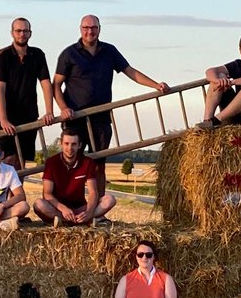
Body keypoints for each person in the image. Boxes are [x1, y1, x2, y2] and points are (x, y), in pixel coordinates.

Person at [54, 14, 169, 196]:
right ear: (80, 29)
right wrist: (63, 108)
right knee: (71, 163)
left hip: (101, 118)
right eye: (86, 28)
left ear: (99, 29)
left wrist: (156, 85)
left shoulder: (109, 51)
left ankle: (98, 211)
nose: (89, 31)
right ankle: (68, 206)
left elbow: (130, 71)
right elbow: (56, 85)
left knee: (98, 164)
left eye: (93, 28)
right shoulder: (69, 54)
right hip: (76, 119)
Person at [0, 17, 55, 169]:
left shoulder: (37, 54)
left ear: (30, 33)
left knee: (20, 163)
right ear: (12, 33)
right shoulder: (2, 56)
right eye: (18, 31)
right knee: (6, 162)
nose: (22, 34)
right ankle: (3, 193)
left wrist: (49, 112)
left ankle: (17, 193)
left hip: (29, 116)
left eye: (25, 31)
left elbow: (46, 83)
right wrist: (3, 120)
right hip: (7, 118)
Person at [32, 128, 116, 227]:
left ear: (79, 145)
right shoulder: (51, 162)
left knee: (109, 199)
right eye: (66, 144)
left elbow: (93, 191)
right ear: (61, 144)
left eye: (74, 144)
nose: (70, 148)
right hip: (58, 209)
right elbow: (47, 193)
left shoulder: (87, 162)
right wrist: (62, 208)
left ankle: (78, 219)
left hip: (80, 208)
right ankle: (71, 220)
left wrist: (89, 211)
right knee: (39, 204)